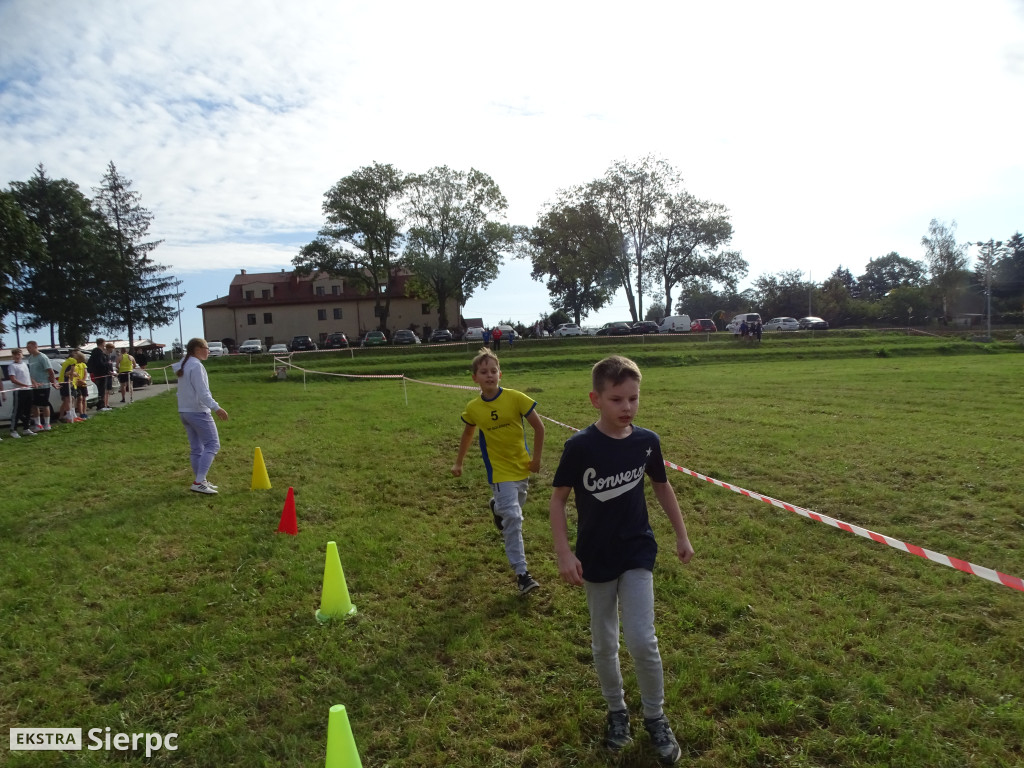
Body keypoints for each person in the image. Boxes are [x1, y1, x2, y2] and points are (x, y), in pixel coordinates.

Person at [549, 355, 694, 765]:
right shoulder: (580, 447)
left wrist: (681, 535)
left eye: (633, 398)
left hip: (636, 550)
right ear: (596, 399)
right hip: (595, 556)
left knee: (642, 640)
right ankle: (617, 712)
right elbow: (558, 500)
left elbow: (663, 488)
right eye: (617, 399)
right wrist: (564, 551)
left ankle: (655, 715)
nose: (627, 407)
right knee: (604, 642)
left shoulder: (646, 441)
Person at [451, 347, 545, 596]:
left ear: (500, 374)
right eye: (484, 372)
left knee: (514, 509)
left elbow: (539, 427)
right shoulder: (473, 408)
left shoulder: (516, 398)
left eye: (493, 371)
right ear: (475, 378)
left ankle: (496, 506)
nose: (489, 375)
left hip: (521, 467)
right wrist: (458, 462)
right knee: (513, 519)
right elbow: (468, 433)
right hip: (499, 472)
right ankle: (522, 574)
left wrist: (536, 460)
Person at [174, 338, 228, 494]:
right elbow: (203, 393)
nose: (209, 351)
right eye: (206, 348)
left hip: (185, 412)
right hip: (198, 412)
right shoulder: (196, 366)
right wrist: (217, 408)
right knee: (213, 445)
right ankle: (198, 482)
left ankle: (200, 480)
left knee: (197, 448)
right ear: (197, 349)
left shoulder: (185, 363)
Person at [25, 340, 57, 432]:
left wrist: (53, 382)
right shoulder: (30, 358)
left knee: (44, 404)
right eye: (27, 348)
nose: (28, 349)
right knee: (34, 405)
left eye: (29, 347)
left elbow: (50, 371)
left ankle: (47, 423)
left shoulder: (42, 357)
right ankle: (38, 424)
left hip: (43, 385)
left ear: (35, 346)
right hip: (34, 386)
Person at [6, 348, 35, 437]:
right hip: (19, 391)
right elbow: (13, 379)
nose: (17, 356)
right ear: (13, 356)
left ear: (22, 355)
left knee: (28, 410)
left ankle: (26, 428)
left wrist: (33, 383)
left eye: (19, 354)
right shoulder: (12, 366)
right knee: (17, 411)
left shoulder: (24, 364)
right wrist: (23, 385)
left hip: (28, 390)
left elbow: (28, 376)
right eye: (15, 355)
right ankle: (13, 430)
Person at [87, 338, 112, 412]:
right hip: (100, 373)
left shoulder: (98, 352)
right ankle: (100, 406)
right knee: (101, 389)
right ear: (102, 343)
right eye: (104, 343)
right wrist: (108, 364)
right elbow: (100, 363)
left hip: (101, 373)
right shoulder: (98, 352)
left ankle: (102, 404)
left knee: (102, 389)